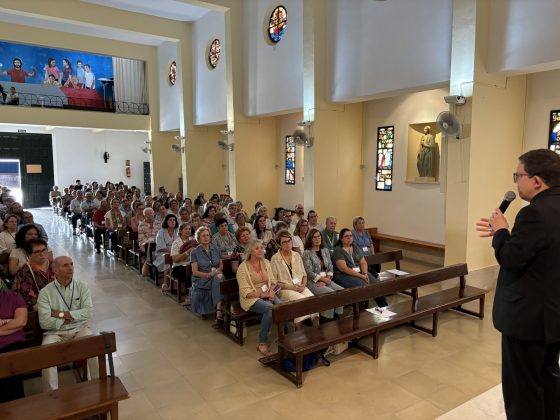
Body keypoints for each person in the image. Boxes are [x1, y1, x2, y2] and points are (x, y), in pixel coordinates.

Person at [476, 149, 560, 420]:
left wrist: (501, 232)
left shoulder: (533, 214)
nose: (516, 182)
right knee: (548, 379)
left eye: (518, 175)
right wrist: (508, 234)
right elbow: (542, 252)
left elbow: (511, 259)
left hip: (528, 320)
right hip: (553, 316)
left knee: (523, 391)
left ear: (536, 180)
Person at [37, 256, 98, 391]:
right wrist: (72, 316)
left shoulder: (82, 287)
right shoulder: (45, 293)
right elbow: (45, 322)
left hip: (79, 328)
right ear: (55, 271)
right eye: (65, 265)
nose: (70, 268)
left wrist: (60, 314)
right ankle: (51, 393)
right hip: (55, 333)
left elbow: (88, 312)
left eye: (71, 264)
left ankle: (99, 384)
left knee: (94, 343)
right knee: (46, 351)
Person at [236, 239, 283, 356]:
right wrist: (263, 295)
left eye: (261, 248)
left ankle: (285, 336)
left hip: (268, 293)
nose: (260, 250)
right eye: (257, 248)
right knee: (269, 308)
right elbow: (245, 292)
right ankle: (262, 342)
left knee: (282, 306)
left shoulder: (266, 262)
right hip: (251, 298)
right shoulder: (243, 268)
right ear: (250, 251)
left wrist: (272, 292)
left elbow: (273, 281)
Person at [270, 231, 318, 326]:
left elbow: (304, 275)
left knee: (313, 300)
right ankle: (297, 335)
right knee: (300, 301)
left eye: (289, 241)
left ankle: (317, 330)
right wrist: (292, 287)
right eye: (284, 242)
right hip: (284, 290)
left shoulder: (297, 255)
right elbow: (275, 283)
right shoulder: (274, 259)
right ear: (279, 244)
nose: (287, 244)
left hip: (300, 286)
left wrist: (303, 285)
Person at [332, 228, 388, 307]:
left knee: (377, 285)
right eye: (346, 236)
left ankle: (384, 308)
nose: (349, 238)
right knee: (364, 286)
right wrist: (361, 276)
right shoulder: (338, 250)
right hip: (344, 276)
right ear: (341, 238)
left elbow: (363, 262)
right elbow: (344, 269)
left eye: (351, 236)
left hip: (360, 273)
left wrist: (365, 273)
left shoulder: (355, 247)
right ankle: (362, 310)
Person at [302, 228, 344, 321]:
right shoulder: (307, 253)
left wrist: (328, 278)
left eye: (319, 236)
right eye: (314, 237)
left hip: (326, 279)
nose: (317, 239)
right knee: (330, 293)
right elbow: (308, 272)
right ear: (310, 239)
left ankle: (337, 315)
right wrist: (324, 280)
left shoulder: (325, 250)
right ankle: (326, 317)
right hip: (313, 282)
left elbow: (330, 266)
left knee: (341, 291)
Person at [189, 226, 224, 322]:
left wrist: (215, 272)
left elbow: (221, 266)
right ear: (198, 238)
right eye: (203, 236)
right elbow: (194, 271)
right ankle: (219, 311)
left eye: (207, 235)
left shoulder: (216, 248)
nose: (206, 237)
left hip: (216, 275)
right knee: (218, 279)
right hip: (202, 278)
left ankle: (218, 311)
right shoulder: (195, 252)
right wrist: (207, 275)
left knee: (218, 278)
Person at [0, 289, 28, 403]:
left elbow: (20, 322)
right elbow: (15, 323)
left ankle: (17, 406)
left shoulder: (14, 297)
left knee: (12, 361)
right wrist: (8, 322)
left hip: (14, 345)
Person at [14, 238, 55, 310]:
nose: (42, 254)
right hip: (39, 305)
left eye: (44, 250)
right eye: (37, 252)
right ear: (29, 255)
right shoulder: (24, 272)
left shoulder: (54, 265)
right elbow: (29, 299)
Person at [170, 222, 196, 297]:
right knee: (190, 271)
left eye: (189, 229)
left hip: (191, 264)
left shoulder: (193, 240)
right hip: (178, 267)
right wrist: (187, 252)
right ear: (180, 231)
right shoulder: (176, 242)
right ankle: (190, 294)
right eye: (185, 229)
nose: (188, 231)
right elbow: (175, 259)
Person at [155, 214, 178, 292]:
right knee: (168, 257)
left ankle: (175, 282)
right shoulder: (161, 232)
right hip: (162, 254)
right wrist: (174, 250)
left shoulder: (177, 231)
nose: (172, 222)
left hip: (175, 252)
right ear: (166, 221)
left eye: (174, 220)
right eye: (170, 220)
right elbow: (161, 248)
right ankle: (165, 282)